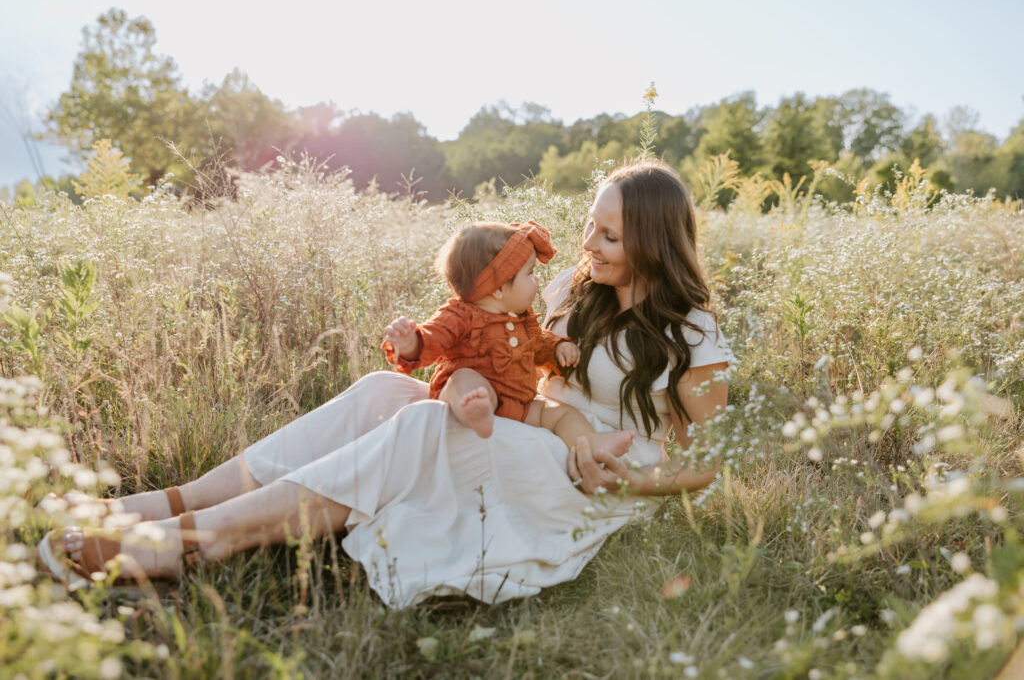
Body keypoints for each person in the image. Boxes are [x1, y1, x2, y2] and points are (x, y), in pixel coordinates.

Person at [37, 157, 735, 607]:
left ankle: (195, 539)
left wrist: (637, 480)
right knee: (381, 391)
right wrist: (565, 422)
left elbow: (706, 460)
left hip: (595, 477)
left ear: (652, 240)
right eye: (590, 224)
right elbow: (531, 375)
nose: (587, 244)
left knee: (431, 423)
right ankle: (164, 503)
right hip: (540, 427)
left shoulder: (691, 331)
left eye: (609, 236)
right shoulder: (565, 289)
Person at [381, 219, 634, 457]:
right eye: (530, 273)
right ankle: (473, 411)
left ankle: (590, 441)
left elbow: (539, 343)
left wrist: (557, 349)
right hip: (473, 394)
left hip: (519, 405)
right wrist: (409, 343)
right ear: (499, 288)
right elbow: (433, 337)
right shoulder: (460, 314)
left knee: (560, 413)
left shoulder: (522, 319)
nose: (536, 280)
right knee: (464, 379)